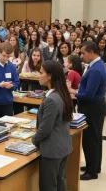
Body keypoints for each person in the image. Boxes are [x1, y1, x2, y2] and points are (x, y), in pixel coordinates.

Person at [32, 60, 73, 191]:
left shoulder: (51, 100)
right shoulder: (62, 93)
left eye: (41, 73)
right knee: (60, 181)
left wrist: (34, 140)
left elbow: (45, 129)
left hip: (52, 150)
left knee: (48, 186)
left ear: (49, 76)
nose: (38, 75)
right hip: (63, 145)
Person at [69, 41, 106, 180]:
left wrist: (74, 92)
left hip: (93, 108)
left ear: (92, 52)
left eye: (83, 53)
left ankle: (92, 172)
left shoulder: (96, 69)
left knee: (91, 140)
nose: (81, 56)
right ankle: (94, 165)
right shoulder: (96, 64)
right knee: (96, 139)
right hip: (94, 106)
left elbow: (89, 95)